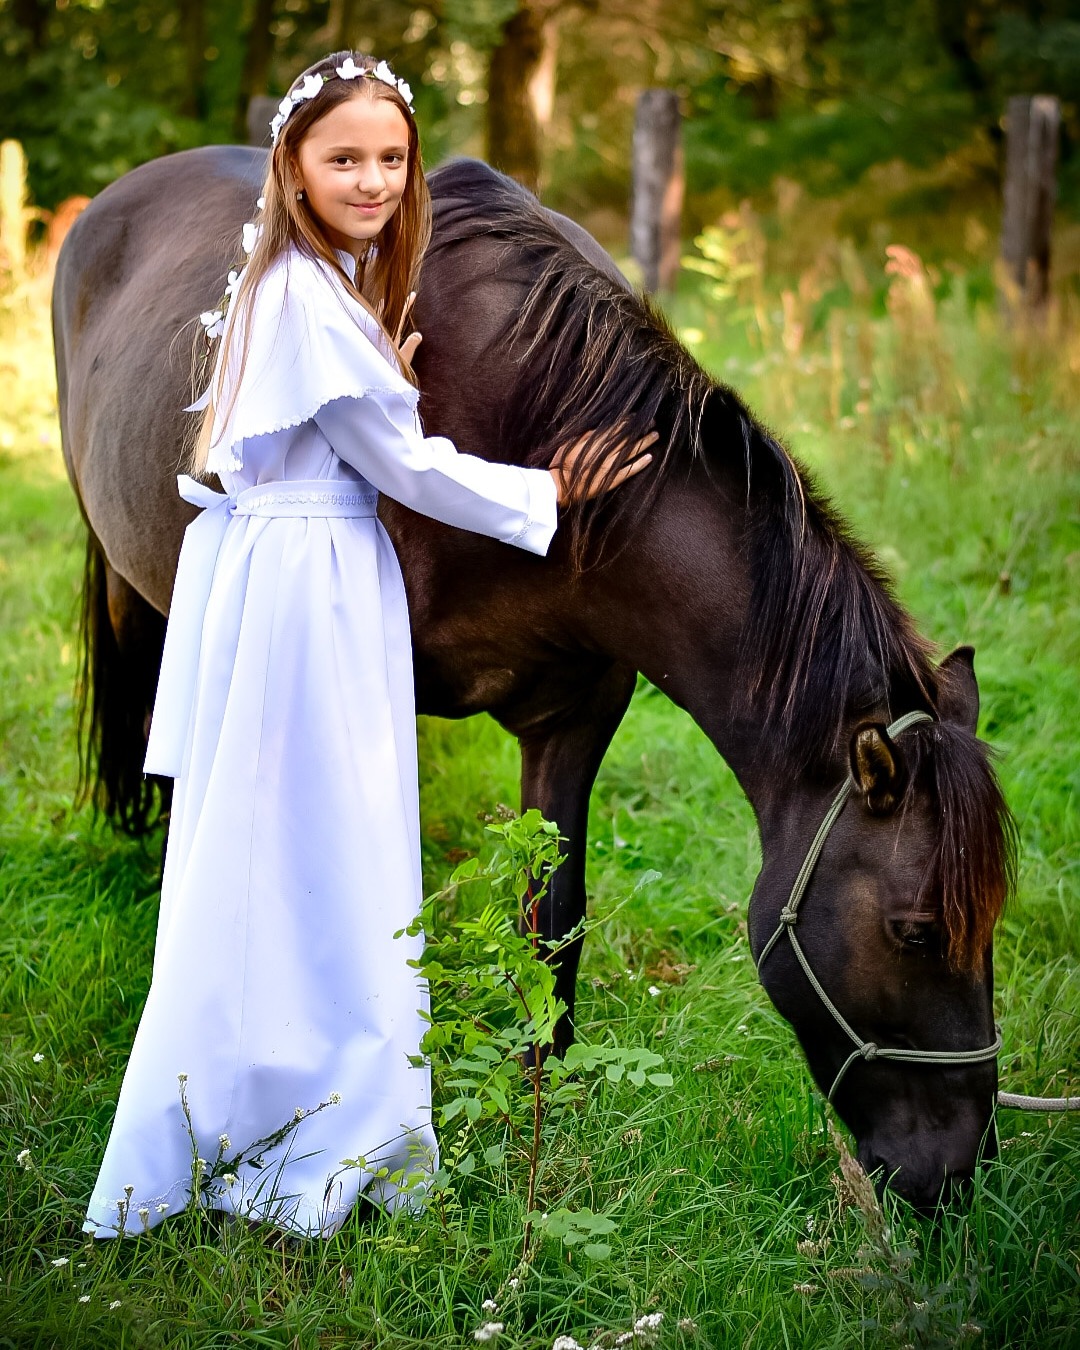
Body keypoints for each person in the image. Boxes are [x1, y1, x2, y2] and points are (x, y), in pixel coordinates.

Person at [84, 51, 654, 1239]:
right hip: (310, 579)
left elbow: (344, 422)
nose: (375, 179)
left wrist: (379, 380)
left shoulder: (317, 288)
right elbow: (403, 469)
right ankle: (309, 1105)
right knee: (326, 837)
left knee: (321, 839)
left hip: (313, 567)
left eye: (392, 158)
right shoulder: (303, 293)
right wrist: (549, 492)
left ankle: (301, 1076)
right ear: (291, 162)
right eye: (345, 157)